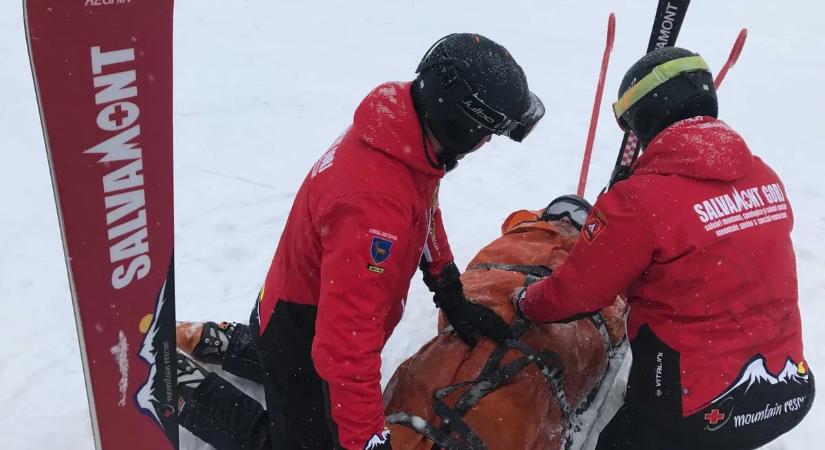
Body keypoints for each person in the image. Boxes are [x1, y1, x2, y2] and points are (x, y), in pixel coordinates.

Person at [176, 33, 545, 450]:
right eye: (489, 130)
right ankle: (182, 384)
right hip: (303, 323)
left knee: (295, 369)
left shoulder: (404, 135)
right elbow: (345, 348)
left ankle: (239, 346)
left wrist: (449, 290)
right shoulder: (375, 209)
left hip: (307, 304)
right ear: (460, 123)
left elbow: (423, 210)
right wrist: (368, 440)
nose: (489, 141)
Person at [515, 47, 815, 450]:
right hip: (786, 388)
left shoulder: (640, 200)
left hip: (698, 407)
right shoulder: (764, 175)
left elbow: (576, 294)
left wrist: (524, 303)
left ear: (645, 118)